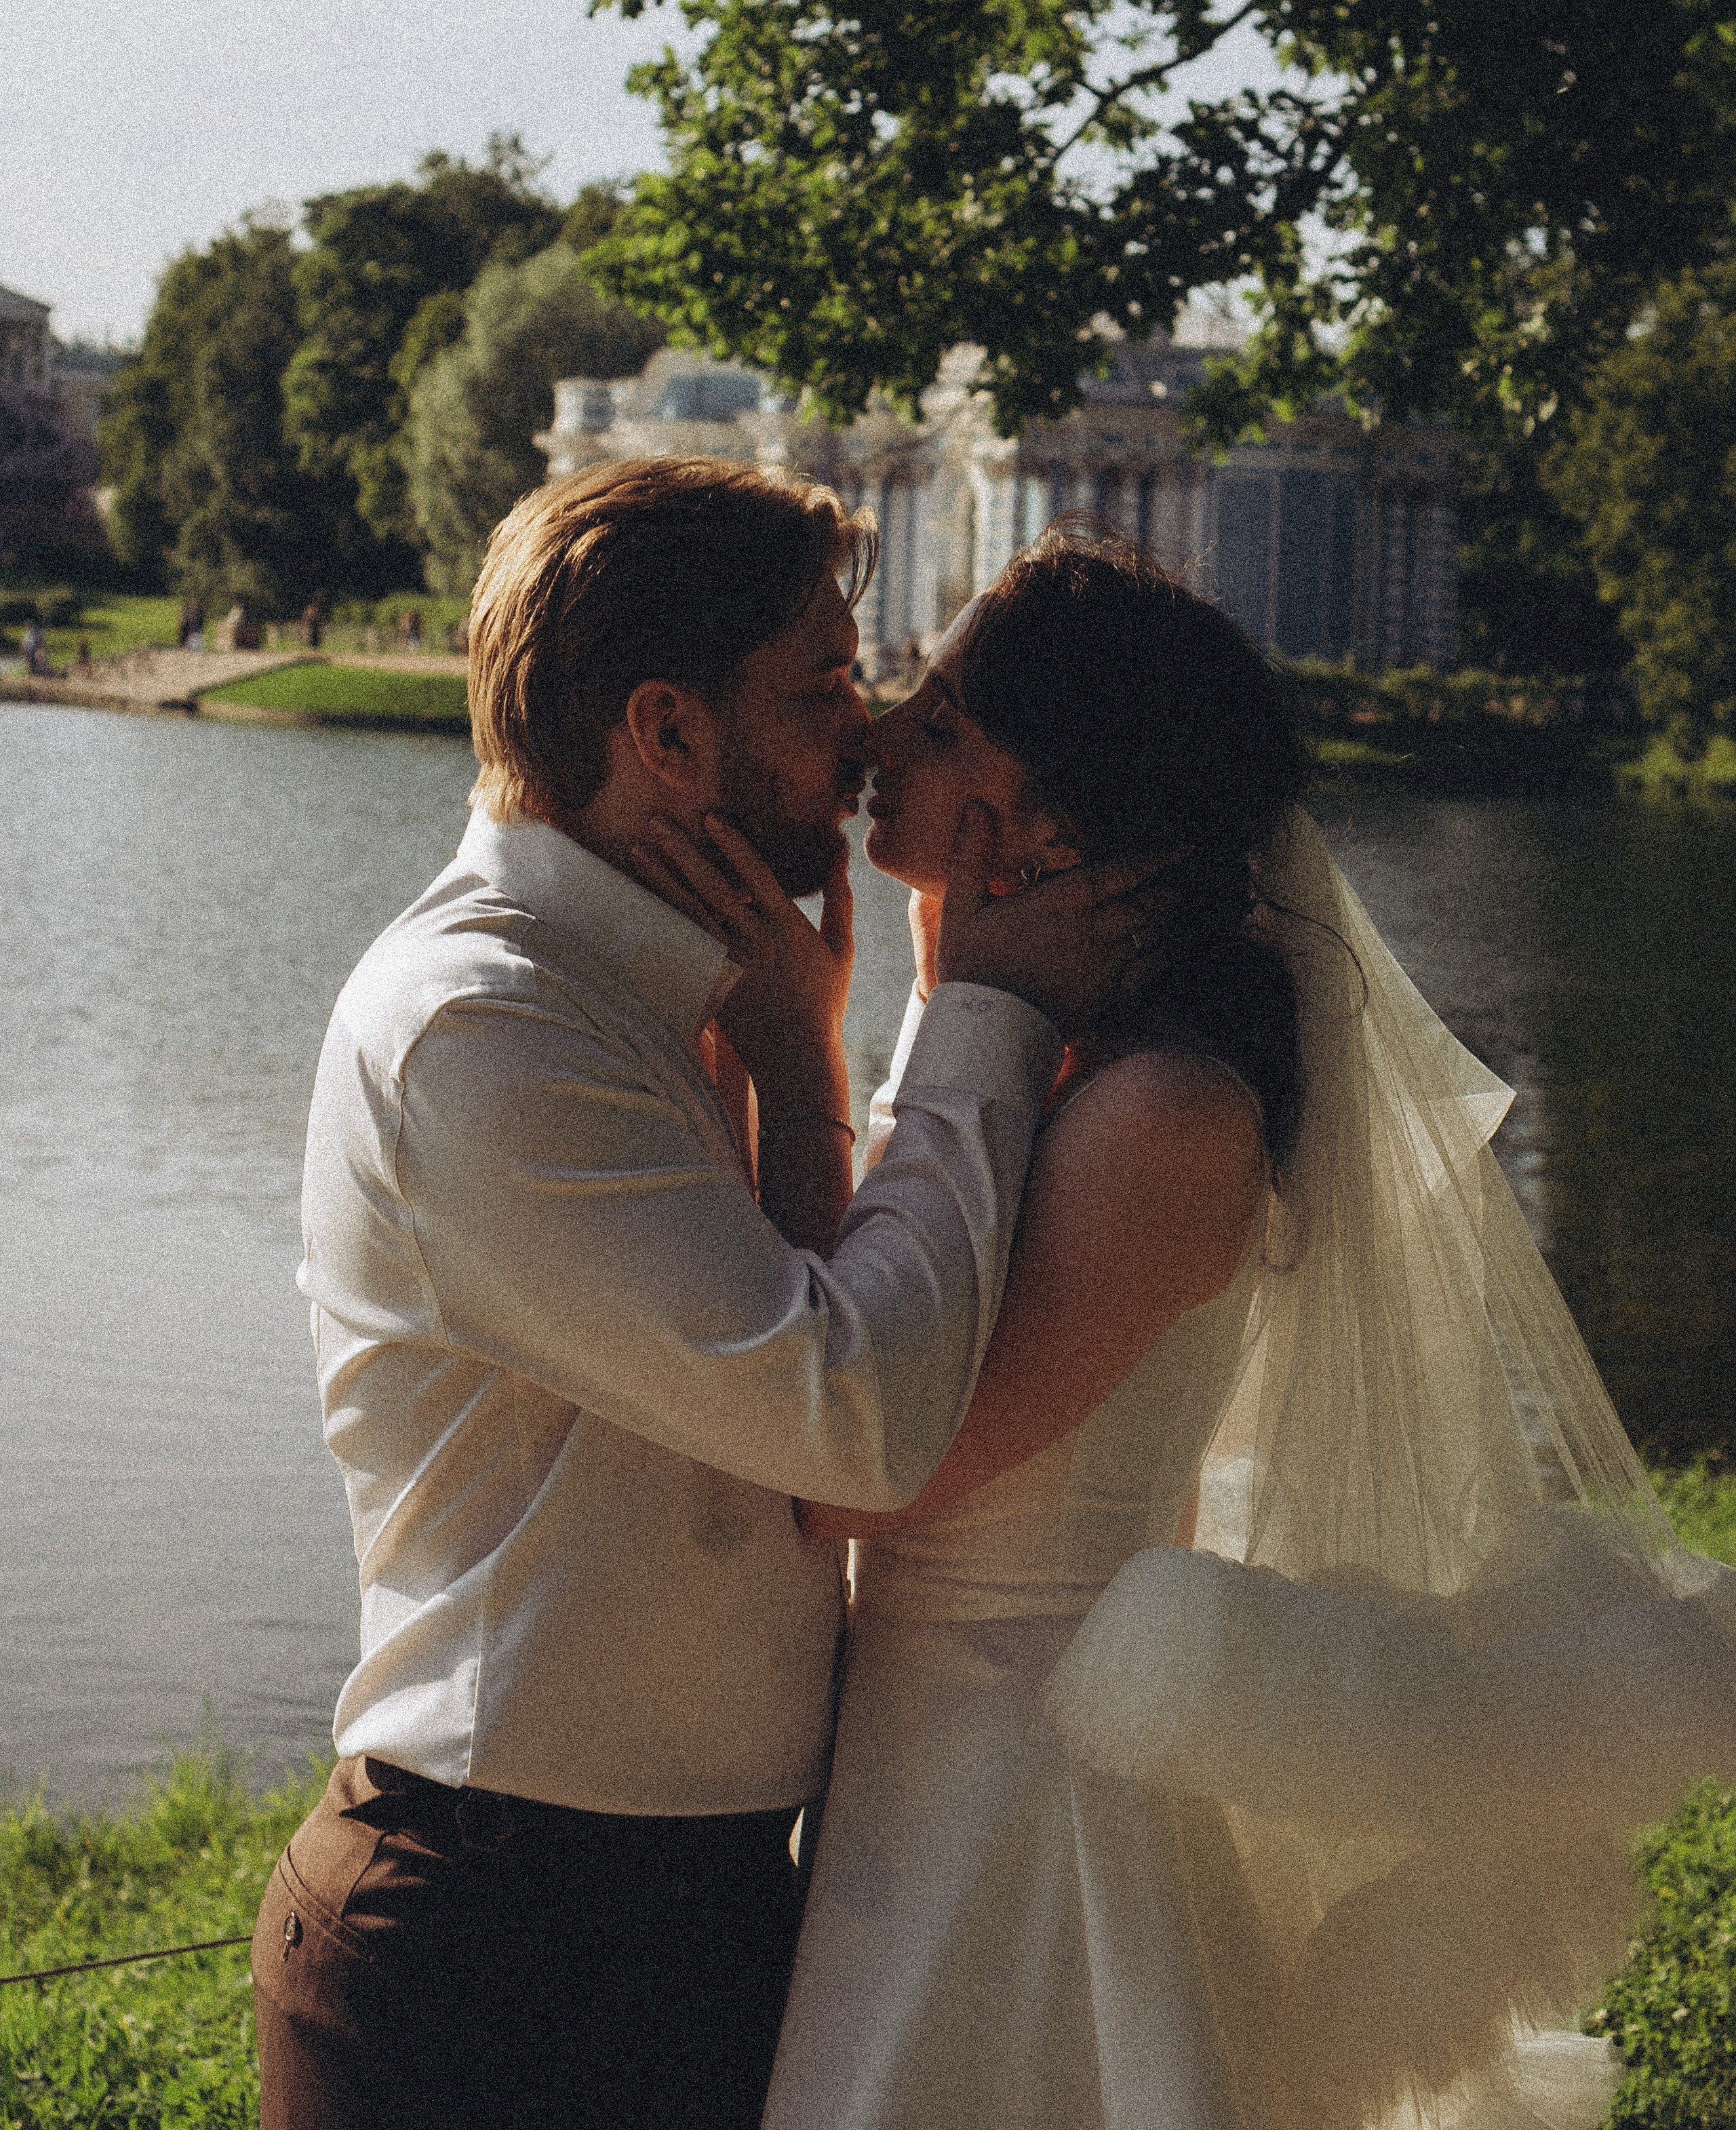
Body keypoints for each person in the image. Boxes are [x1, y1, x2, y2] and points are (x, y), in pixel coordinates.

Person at [722, 532, 1736, 2130]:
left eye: (938, 719)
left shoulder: (1162, 1114)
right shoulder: (1051, 1053)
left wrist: (800, 1063)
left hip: (1019, 1789)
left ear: (1050, 811)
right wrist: (945, 997)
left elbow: (857, 1473)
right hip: (926, 1751)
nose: (877, 739)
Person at [251, 460, 1156, 2130]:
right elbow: (857, 1423)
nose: (871, 731)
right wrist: (988, 1016)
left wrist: (809, 1078)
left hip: (689, 1916)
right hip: (496, 1952)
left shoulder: (679, 992)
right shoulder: (488, 1028)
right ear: (665, 734)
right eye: (823, 687)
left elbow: (805, 1412)